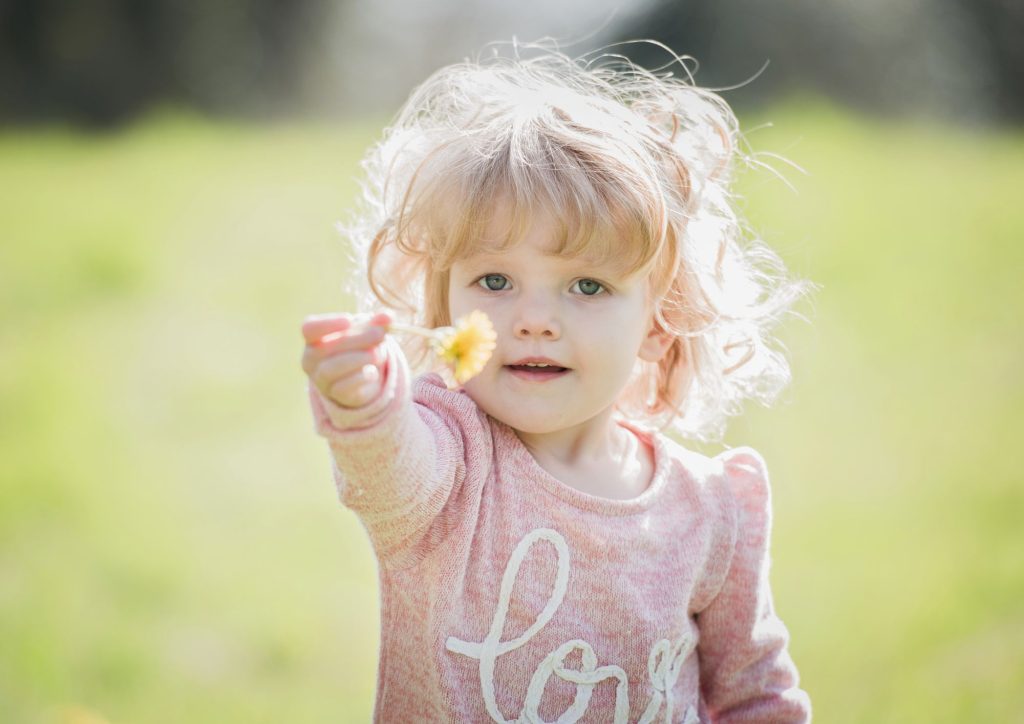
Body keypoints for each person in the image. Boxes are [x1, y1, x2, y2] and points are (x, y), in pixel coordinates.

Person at [300, 42, 813, 722]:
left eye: (588, 285)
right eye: (495, 281)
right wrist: (367, 402)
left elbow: (756, 696)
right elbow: (390, 466)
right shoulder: (450, 461)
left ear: (658, 324)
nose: (535, 320)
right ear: (443, 306)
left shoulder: (712, 509)